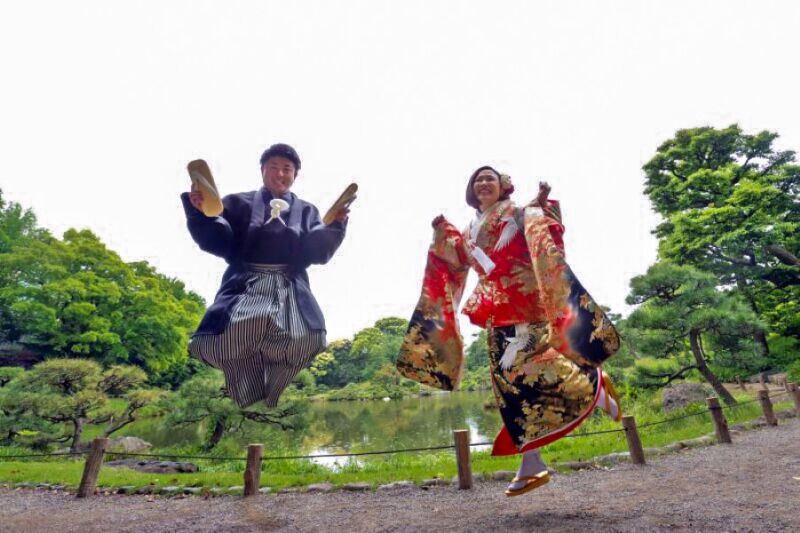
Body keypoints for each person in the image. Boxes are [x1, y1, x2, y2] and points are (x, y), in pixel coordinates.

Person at [397, 166, 621, 496]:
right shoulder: (472, 226)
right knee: (506, 384)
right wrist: (441, 233)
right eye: (478, 180)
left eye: (490, 178)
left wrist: (541, 202)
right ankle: (532, 463)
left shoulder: (512, 211)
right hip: (495, 308)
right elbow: (457, 256)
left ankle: (594, 385)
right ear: (471, 191)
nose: (483, 183)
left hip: (522, 300)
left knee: (531, 367)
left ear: (503, 187)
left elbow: (532, 220)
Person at [180, 143, 348, 408]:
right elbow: (220, 239)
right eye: (274, 168)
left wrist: (335, 223)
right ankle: (251, 388)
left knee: (310, 338)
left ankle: (270, 387)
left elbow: (316, 249)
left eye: (287, 169)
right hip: (245, 284)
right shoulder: (236, 203)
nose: (280, 174)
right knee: (224, 337)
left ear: (295, 175)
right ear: (262, 170)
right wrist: (204, 215)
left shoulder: (307, 211)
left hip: (288, 284)